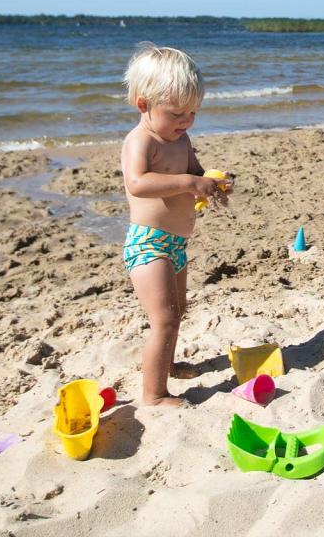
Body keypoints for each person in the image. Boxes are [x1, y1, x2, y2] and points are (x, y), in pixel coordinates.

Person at [121, 43, 231, 407]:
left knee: (176, 312)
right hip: (148, 244)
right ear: (143, 104)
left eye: (192, 112)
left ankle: (166, 363)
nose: (185, 121)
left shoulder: (180, 139)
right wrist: (187, 183)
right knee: (163, 319)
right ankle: (153, 396)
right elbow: (137, 183)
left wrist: (212, 182)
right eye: (176, 113)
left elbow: (196, 173)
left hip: (176, 245)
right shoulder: (140, 140)